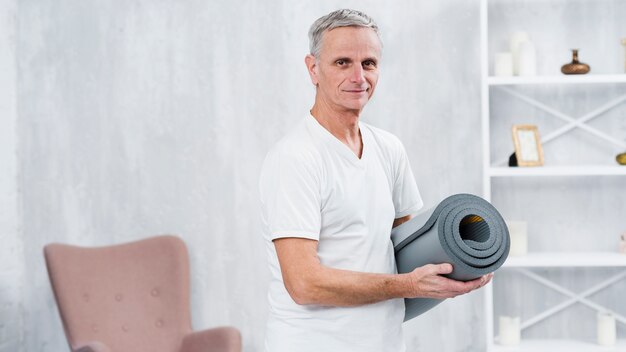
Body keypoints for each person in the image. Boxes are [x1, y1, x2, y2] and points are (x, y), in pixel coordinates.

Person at [259, 9, 492, 352]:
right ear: (313, 69)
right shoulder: (295, 158)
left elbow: (407, 249)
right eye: (342, 62)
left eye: (368, 63)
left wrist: (457, 269)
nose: (358, 76)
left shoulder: (388, 148)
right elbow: (303, 284)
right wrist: (408, 285)